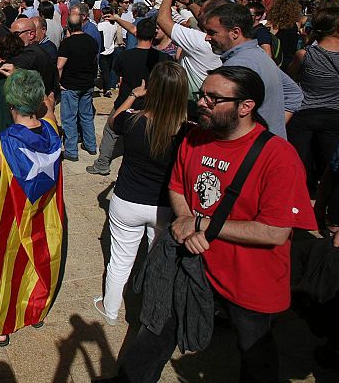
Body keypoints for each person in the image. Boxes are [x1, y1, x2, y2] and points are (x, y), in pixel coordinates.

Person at [100, 66, 316, 383]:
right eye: (202, 94)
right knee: (155, 334)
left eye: (213, 98)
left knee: (255, 354)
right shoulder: (194, 138)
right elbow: (176, 185)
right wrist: (186, 218)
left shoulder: (279, 157)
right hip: (193, 266)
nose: (202, 102)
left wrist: (202, 225)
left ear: (246, 106)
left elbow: (275, 230)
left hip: (251, 280)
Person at [0, 69, 64, 347]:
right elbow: (48, 110)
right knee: (41, 260)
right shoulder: (51, 128)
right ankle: (35, 310)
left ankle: (2, 325)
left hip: (13, 217)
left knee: (6, 268)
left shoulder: (4, 143)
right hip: (45, 213)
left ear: (10, 105)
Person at [94, 61, 188, 325]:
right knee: (158, 260)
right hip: (165, 206)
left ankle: (110, 309)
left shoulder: (133, 120)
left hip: (127, 201)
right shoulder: (186, 132)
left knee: (120, 259)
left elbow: (112, 121)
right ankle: (152, 311)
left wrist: (134, 95)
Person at [286, 6, 339, 225]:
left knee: (299, 162)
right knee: (330, 165)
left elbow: (291, 75)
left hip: (304, 111)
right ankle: (324, 208)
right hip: (335, 112)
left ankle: (298, 205)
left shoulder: (306, 54)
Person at [202, 2, 303, 139]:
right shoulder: (258, 55)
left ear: (235, 32)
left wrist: (265, 131)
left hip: (248, 150)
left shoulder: (238, 64)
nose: (207, 38)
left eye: (212, 32)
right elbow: (294, 93)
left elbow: (223, 114)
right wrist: (273, 128)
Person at [88, 18, 174, 176]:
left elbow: (118, 72)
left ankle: (102, 163)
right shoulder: (164, 58)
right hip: (152, 104)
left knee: (111, 130)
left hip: (126, 101)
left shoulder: (125, 56)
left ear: (136, 33)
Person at [58, 14, 100, 161]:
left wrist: (58, 83)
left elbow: (60, 66)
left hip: (70, 85)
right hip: (87, 84)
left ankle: (71, 151)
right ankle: (91, 145)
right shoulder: (92, 41)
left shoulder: (67, 44)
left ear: (68, 27)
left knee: (69, 119)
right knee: (87, 117)